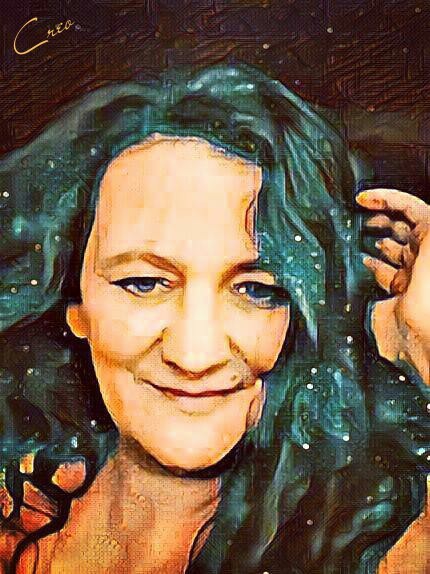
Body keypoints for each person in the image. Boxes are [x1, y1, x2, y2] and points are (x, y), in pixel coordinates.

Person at [0, 63, 428, 573]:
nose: (194, 355)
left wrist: (422, 345)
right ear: (75, 303)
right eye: (143, 283)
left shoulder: (392, 549)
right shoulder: (15, 508)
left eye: (256, 290)